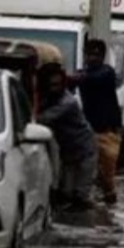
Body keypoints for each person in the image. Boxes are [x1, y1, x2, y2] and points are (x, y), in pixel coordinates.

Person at [36, 62, 98, 211]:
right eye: (51, 85)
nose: (54, 88)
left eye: (57, 84)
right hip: (68, 151)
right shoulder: (49, 99)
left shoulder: (67, 102)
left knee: (81, 196)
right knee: (66, 193)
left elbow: (43, 119)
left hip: (85, 149)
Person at [67, 39, 122, 205]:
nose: (92, 58)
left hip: (107, 133)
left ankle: (109, 205)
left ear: (103, 57)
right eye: (89, 54)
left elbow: (91, 79)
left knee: (107, 177)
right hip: (89, 131)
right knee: (87, 170)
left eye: (96, 55)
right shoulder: (83, 74)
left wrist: (73, 78)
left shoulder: (107, 73)